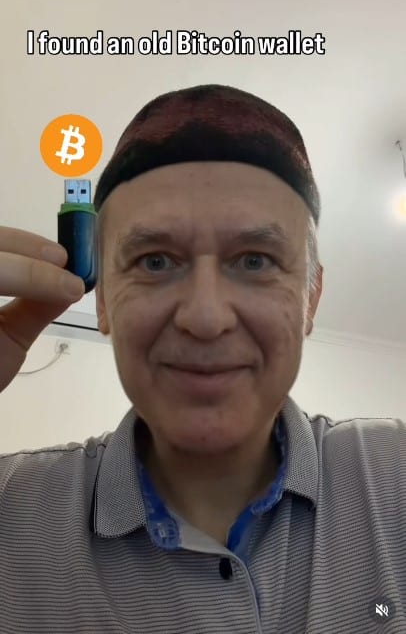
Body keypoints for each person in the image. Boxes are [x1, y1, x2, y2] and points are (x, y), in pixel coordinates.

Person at [0, 84, 403, 633]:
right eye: (156, 261)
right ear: (103, 301)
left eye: (255, 260)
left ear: (310, 297)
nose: (206, 318)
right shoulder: (12, 511)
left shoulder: (394, 478)